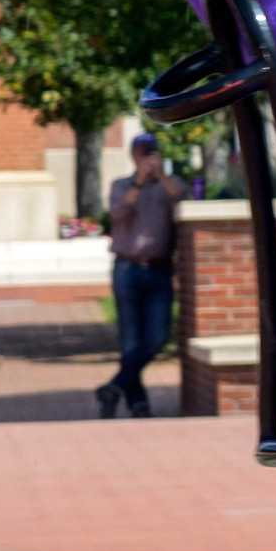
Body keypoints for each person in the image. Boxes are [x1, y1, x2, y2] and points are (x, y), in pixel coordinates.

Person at [93, 131, 186, 419]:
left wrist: (160, 176)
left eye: (151, 151)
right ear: (132, 155)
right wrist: (140, 181)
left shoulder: (170, 185)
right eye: (142, 151)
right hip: (127, 268)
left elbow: (182, 199)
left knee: (156, 338)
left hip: (159, 268)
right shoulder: (121, 185)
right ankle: (138, 403)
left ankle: (114, 388)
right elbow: (119, 214)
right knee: (130, 341)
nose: (146, 156)